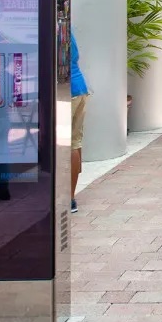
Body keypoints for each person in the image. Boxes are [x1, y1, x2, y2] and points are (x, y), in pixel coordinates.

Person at [66, 33, 90, 213]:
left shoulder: (50, 26)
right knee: (75, 143)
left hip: (67, 90)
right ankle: (71, 197)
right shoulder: (68, 29)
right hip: (80, 87)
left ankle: (67, 198)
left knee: (69, 145)